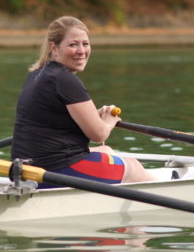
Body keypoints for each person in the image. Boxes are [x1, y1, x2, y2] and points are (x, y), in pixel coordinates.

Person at [11, 16, 154, 186]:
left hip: (27, 169)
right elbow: (99, 134)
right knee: (133, 166)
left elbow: (54, 119)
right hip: (53, 172)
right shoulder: (65, 80)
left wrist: (92, 116)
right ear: (53, 48)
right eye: (73, 45)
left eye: (85, 44)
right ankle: (165, 190)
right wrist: (108, 121)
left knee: (106, 150)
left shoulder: (38, 75)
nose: (81, 51)